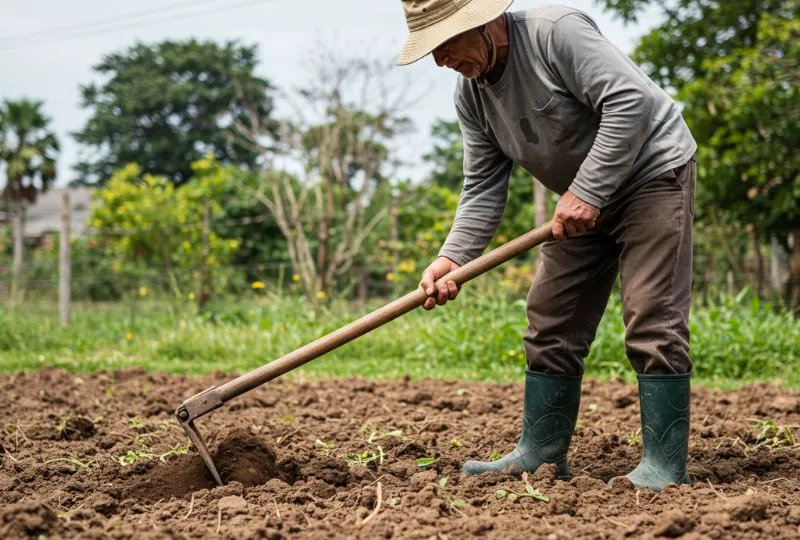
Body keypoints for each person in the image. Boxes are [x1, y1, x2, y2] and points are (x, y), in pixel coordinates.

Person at [396, 0, 697, 492]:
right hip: (580, 203)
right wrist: (452, 258)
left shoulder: (556, 33)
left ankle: (666, 467)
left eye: (445, 44)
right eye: (431, 50)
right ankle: (541, 454)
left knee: (651, 316)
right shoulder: (472, 96)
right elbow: (483, 186)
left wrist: (587, 191)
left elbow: (630, 101)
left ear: (485, 22)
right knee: (550, 321)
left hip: (651, 177)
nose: (440, 61)